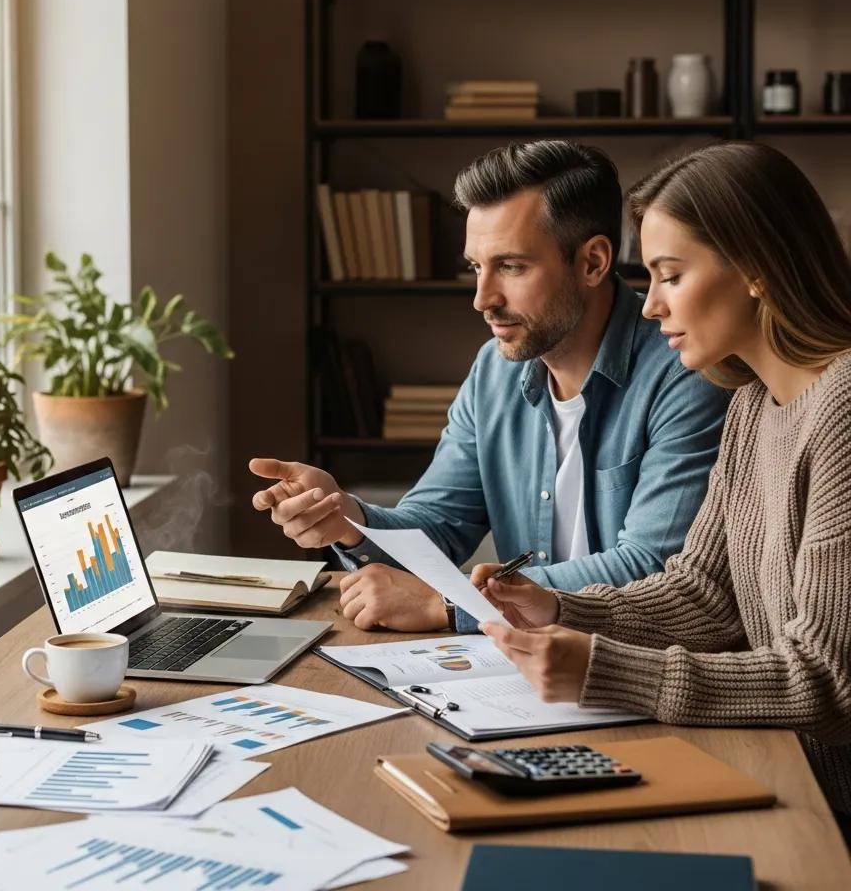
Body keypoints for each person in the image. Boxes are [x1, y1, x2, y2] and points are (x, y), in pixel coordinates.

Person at [474, 142, 851, 838]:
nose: (648, 308)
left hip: (833, 814)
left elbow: (828, 681)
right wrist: (558, 607)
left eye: (671, 276)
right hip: (792, 782)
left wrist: (606, 670)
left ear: (758, 269)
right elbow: (704, 593)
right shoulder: (753, 405)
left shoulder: (843, 413)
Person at [250, 140, 730, 632]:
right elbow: (438, 524)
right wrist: (348, 518)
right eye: (476, 267)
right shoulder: (493, 371)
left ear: (592, 262)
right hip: (517, 674)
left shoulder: (687, 373)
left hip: (633, 674)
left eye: (512, 266)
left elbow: (653, 569)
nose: (483, 298)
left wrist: (452, 606)